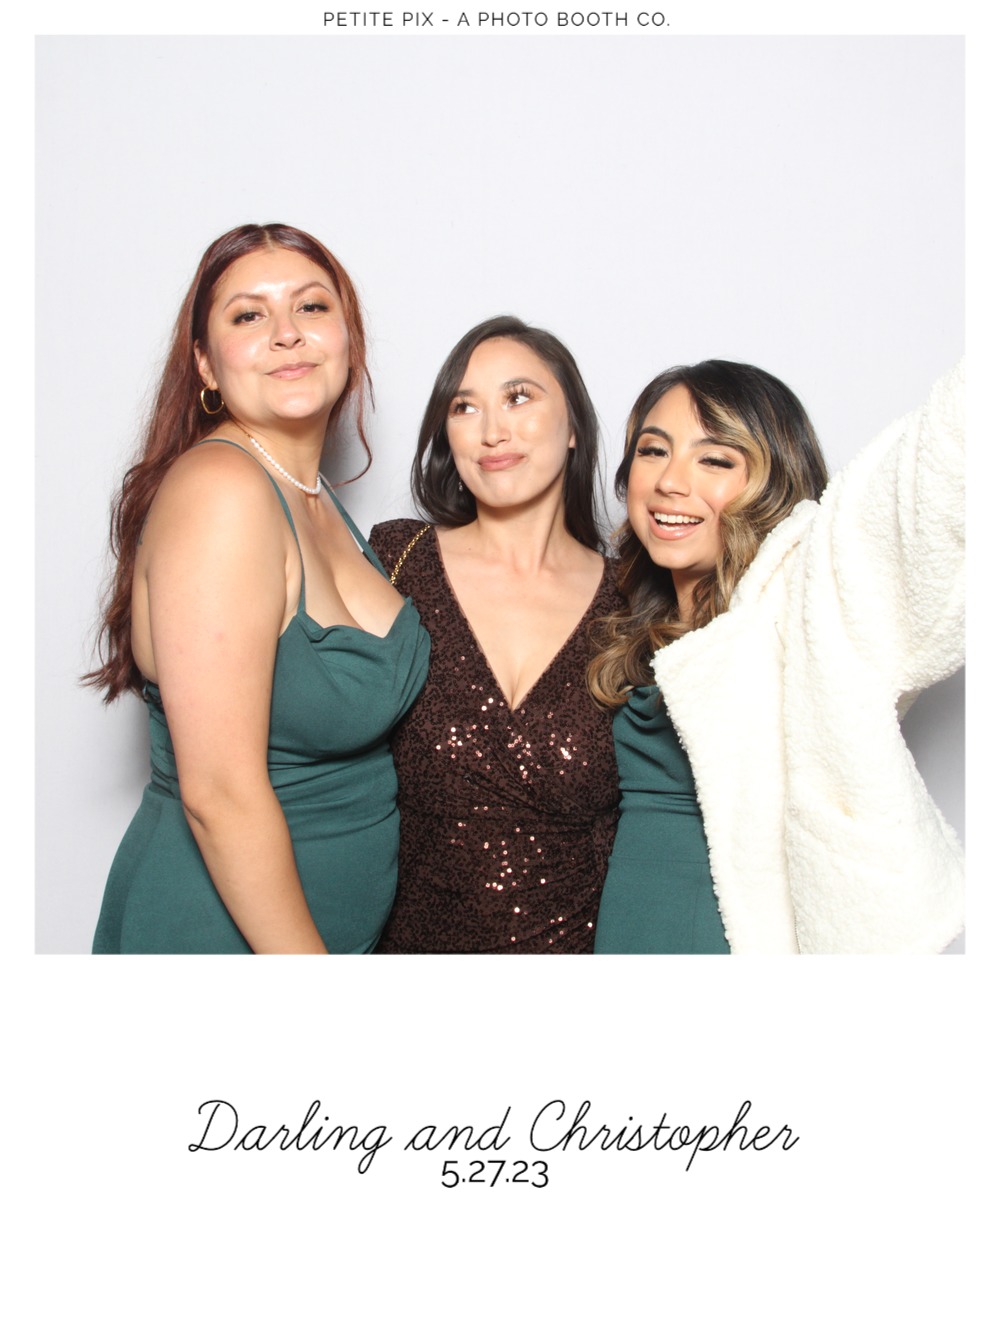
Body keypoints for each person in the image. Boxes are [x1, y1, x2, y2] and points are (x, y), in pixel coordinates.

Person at [87, 223, 429, 953]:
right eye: (249, 315)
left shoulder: (316, 498)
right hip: (221, 937)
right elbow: (218, 795)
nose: (286, 333)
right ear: (205, 365)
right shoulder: (223, 490)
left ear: (347, 338)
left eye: (311, 307)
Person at [588, 359, 964, 954]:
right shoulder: (624, 619)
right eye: (653, 451)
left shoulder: (802, 608)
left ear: (773, 480)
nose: (669, 482)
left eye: (715, 460)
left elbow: (932, 477)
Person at [369, 316, 624, 952]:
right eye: (464, 407)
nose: (491, 431)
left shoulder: (633, 601)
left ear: (574, 426)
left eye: (518, 397)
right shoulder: (397, 561)